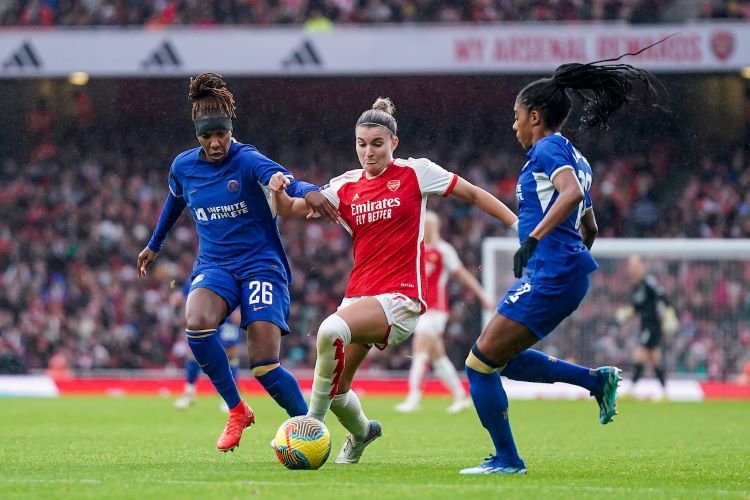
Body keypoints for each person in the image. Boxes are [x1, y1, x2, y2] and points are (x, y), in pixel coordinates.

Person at [271, 97, 519, 465]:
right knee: (337, 391)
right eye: (361, 144)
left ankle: (311, 425)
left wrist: (517, 226)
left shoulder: (415, 172)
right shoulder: (345, 187)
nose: (368, 152)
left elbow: (473, 193)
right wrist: (277, 189)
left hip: (402, 299)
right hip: (359, 297)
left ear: (393, 144)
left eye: (377, 144)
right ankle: (362, 433)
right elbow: (289, 209)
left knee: (328, 331)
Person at [460, 59, 665, 475]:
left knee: (478, 365)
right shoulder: (577, 156)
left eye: (517, 118)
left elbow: (569, 195)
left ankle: (508, 460)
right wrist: (569, 261)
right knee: (505, 360)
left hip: (553, 273)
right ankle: (595, 381)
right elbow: (589, 224)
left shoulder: (548, 147)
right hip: (560, 273)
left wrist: (538, 243)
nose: (514, 126)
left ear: (534, 117)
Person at [136, 72, 338, 453]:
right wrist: (154, 244)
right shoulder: (183, 167)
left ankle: (310, 428)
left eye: (222, 136)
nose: (215, 143)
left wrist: (309, 191)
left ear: (231, 131)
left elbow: (283, 179)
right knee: (195, 323)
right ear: (197, 135)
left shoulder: (247, 159)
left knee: (263, 364)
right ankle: (236, 409)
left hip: (261, 265)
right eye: (207, 136)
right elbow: (174, 201)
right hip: (216, 265)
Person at [395, 210, 495, 414]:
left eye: (430, 225)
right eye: (424, 224)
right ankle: (460, 396)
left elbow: (463, 275)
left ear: (437, 227)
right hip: (418, 309)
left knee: (419, 347)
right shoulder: (416, 249)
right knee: (437, 356)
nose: (426, 228)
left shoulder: (444, 250)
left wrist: (483, 295)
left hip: (436, 310)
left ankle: (413, 397)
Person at [172, 280, 242, 413]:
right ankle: (189, 392)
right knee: (197, 350)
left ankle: (231, 399)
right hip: (206, 309)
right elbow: (195, 278)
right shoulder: (205, 261)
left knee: (230, 353)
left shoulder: (235, 260)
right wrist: (180, 294)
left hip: (229, 311)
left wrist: (241, 308)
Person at [615, 255, 677, 396]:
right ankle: (665, 390)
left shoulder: (649, 282)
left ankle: (632, 389)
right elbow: (637, 307)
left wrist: (669, 315)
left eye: (635, 266)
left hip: (652, 326)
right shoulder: (636, 286)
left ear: (641, 266)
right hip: (645, 325)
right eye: (631, 266)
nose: (632, 269)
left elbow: (663, 297)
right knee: (654, 359)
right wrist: (627, 313)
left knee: (640, 355)